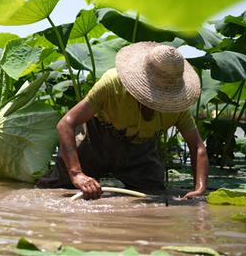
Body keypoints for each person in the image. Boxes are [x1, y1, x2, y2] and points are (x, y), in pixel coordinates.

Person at [38, 42, 208, 199]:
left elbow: (197, 147)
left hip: (139, 148)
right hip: (96, 138)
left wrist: (199, 188)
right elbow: (66, 124)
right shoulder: (112, 83)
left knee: (153, 193)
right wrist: (76, 174)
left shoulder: (177, 104)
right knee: (58, 189)